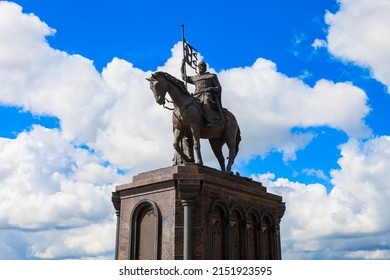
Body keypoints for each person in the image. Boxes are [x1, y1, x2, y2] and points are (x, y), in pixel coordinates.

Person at [181, 60, 222, 127]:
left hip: (206, 94)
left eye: (202, 66)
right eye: (199, 67)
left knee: (206, 102)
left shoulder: (211, 76)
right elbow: (184, 77)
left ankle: (209, 120)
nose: (200, 68)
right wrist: (182, 67)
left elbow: (218, 87)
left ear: (205, 68)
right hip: (196, 96)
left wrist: (211, 88)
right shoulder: (195, 78)